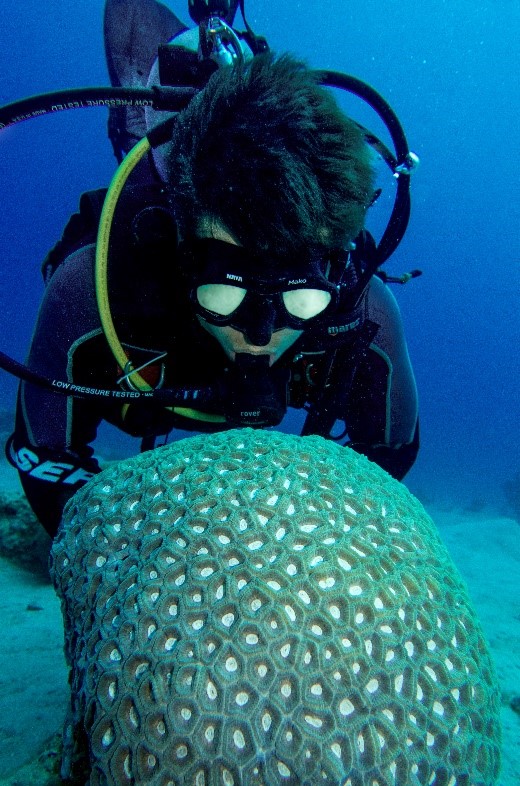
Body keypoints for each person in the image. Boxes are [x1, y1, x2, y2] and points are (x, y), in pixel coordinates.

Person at [6, 0, 419, 537]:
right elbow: (44, 457)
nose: (260, 335)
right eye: (227, 292)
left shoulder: (364, 309)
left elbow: (391, 453)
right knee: (139, 145)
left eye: (300, 299)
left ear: (333, 274)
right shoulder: (91, 289)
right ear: (184, 254)